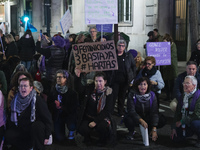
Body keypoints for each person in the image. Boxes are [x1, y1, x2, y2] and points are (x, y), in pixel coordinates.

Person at [5, 77, 53, 150]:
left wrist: (47, 135)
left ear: (31, 88)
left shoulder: (37, 100)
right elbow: (11, 119)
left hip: (34, 130)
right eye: (21, 86)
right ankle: (26, 146)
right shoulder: (15, 100)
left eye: (25, 86)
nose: (23, 88)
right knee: (9, 134)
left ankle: (37, 147)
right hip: (22, 128)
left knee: (37, 126)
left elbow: (47, 118)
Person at [75, 71, 113, 146]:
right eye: (96, 81)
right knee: (82, 128)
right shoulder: (89, 89)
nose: (98, 83)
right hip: (89, 116)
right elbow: (79, 89)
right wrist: (78, 76)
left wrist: (95, 121)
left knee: (102, 127)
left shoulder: (108, 93)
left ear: (105, 82)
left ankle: (102, 140)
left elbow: (107, 110)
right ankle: (87, 138)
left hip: (102, 117)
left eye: (100, 81)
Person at [106, 40, 136, 116]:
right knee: (113, 96)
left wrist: (132, 77)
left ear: (125, 47)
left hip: (125, 80)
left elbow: (133, 66)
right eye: (119, 45)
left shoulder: (128, 55)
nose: (121, 47)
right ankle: (110, 111)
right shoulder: (112, 55)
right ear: (116, 46)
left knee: (122, 97)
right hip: (114, 80)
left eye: (122, 46)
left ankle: (120, 111)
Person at [124, 77, 159, 142]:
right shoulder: (132, 94)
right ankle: (131, 131)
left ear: (148, 85)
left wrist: (154, 128)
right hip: (136, 117)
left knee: (161, 119)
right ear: (137, 86)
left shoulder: (152, 95)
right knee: (128, 119)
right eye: (140, 84)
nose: (142, 87)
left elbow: (154, 112)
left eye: (144, 84)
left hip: (147, 116)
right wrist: (141, 120)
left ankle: (150, 131)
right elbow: (131, 110)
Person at [48, 69, 78, 142]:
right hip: (58, 115)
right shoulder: (53, 91)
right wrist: (55, 106)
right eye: (57, 77)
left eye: (60, 77)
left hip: (68, 114)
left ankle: (71, 133)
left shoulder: (72, 93)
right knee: (59, 138)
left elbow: (74, 107)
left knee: (71, 125)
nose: (58, 79)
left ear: (65, 79)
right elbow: (49, 104)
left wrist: (61, 106)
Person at [171, 76, 200, 148]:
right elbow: (177, 113)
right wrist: (174, 127)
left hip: (195, 121)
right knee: (176, 138)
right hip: (187, 121)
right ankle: (186, 133)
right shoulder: (183, 96)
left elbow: (197, 114)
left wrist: (182, 121)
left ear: (194, 85)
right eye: (184, 83)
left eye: (187, 83)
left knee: (195, 123)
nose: (184, 85)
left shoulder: (198, 96)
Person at [161, 33, 178, 101]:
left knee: (171, 82)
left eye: (165, 41)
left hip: (171, 66)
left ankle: (172, 96)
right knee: (165, 81)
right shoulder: (163, 46)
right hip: (165, 67)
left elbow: (172, 56)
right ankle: (167, 95)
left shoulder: (173, 45)